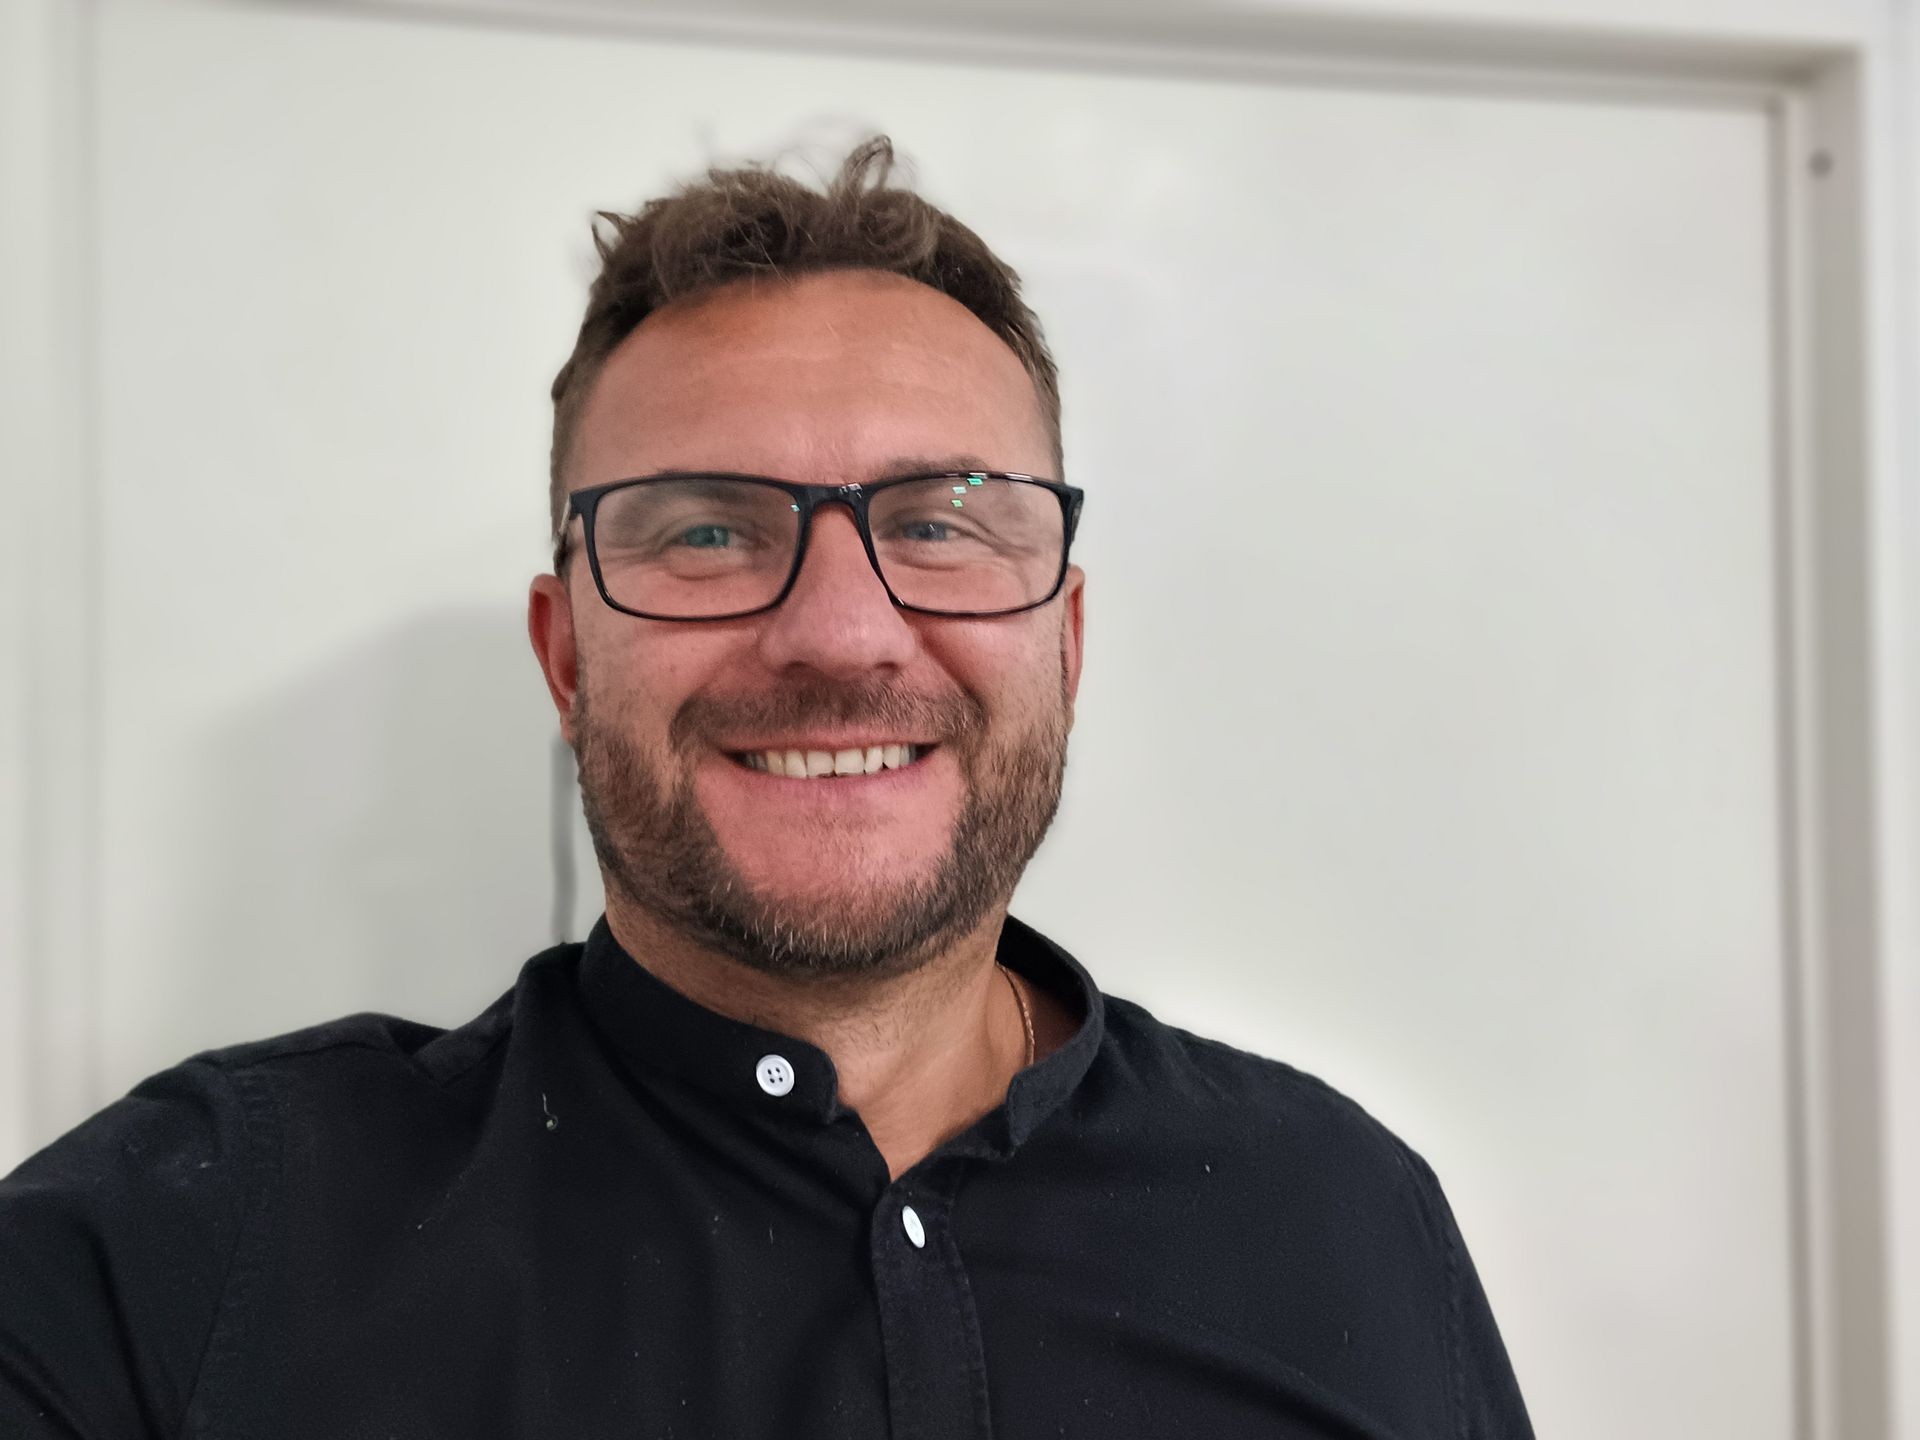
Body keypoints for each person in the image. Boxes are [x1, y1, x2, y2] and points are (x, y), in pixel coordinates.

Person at [0, 137, 1534, 1439]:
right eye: (709, 533)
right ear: (566, 658)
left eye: (940, 521)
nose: (842, 634)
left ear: (1064, 644)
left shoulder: (1342, 1214)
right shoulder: (187, 1244)